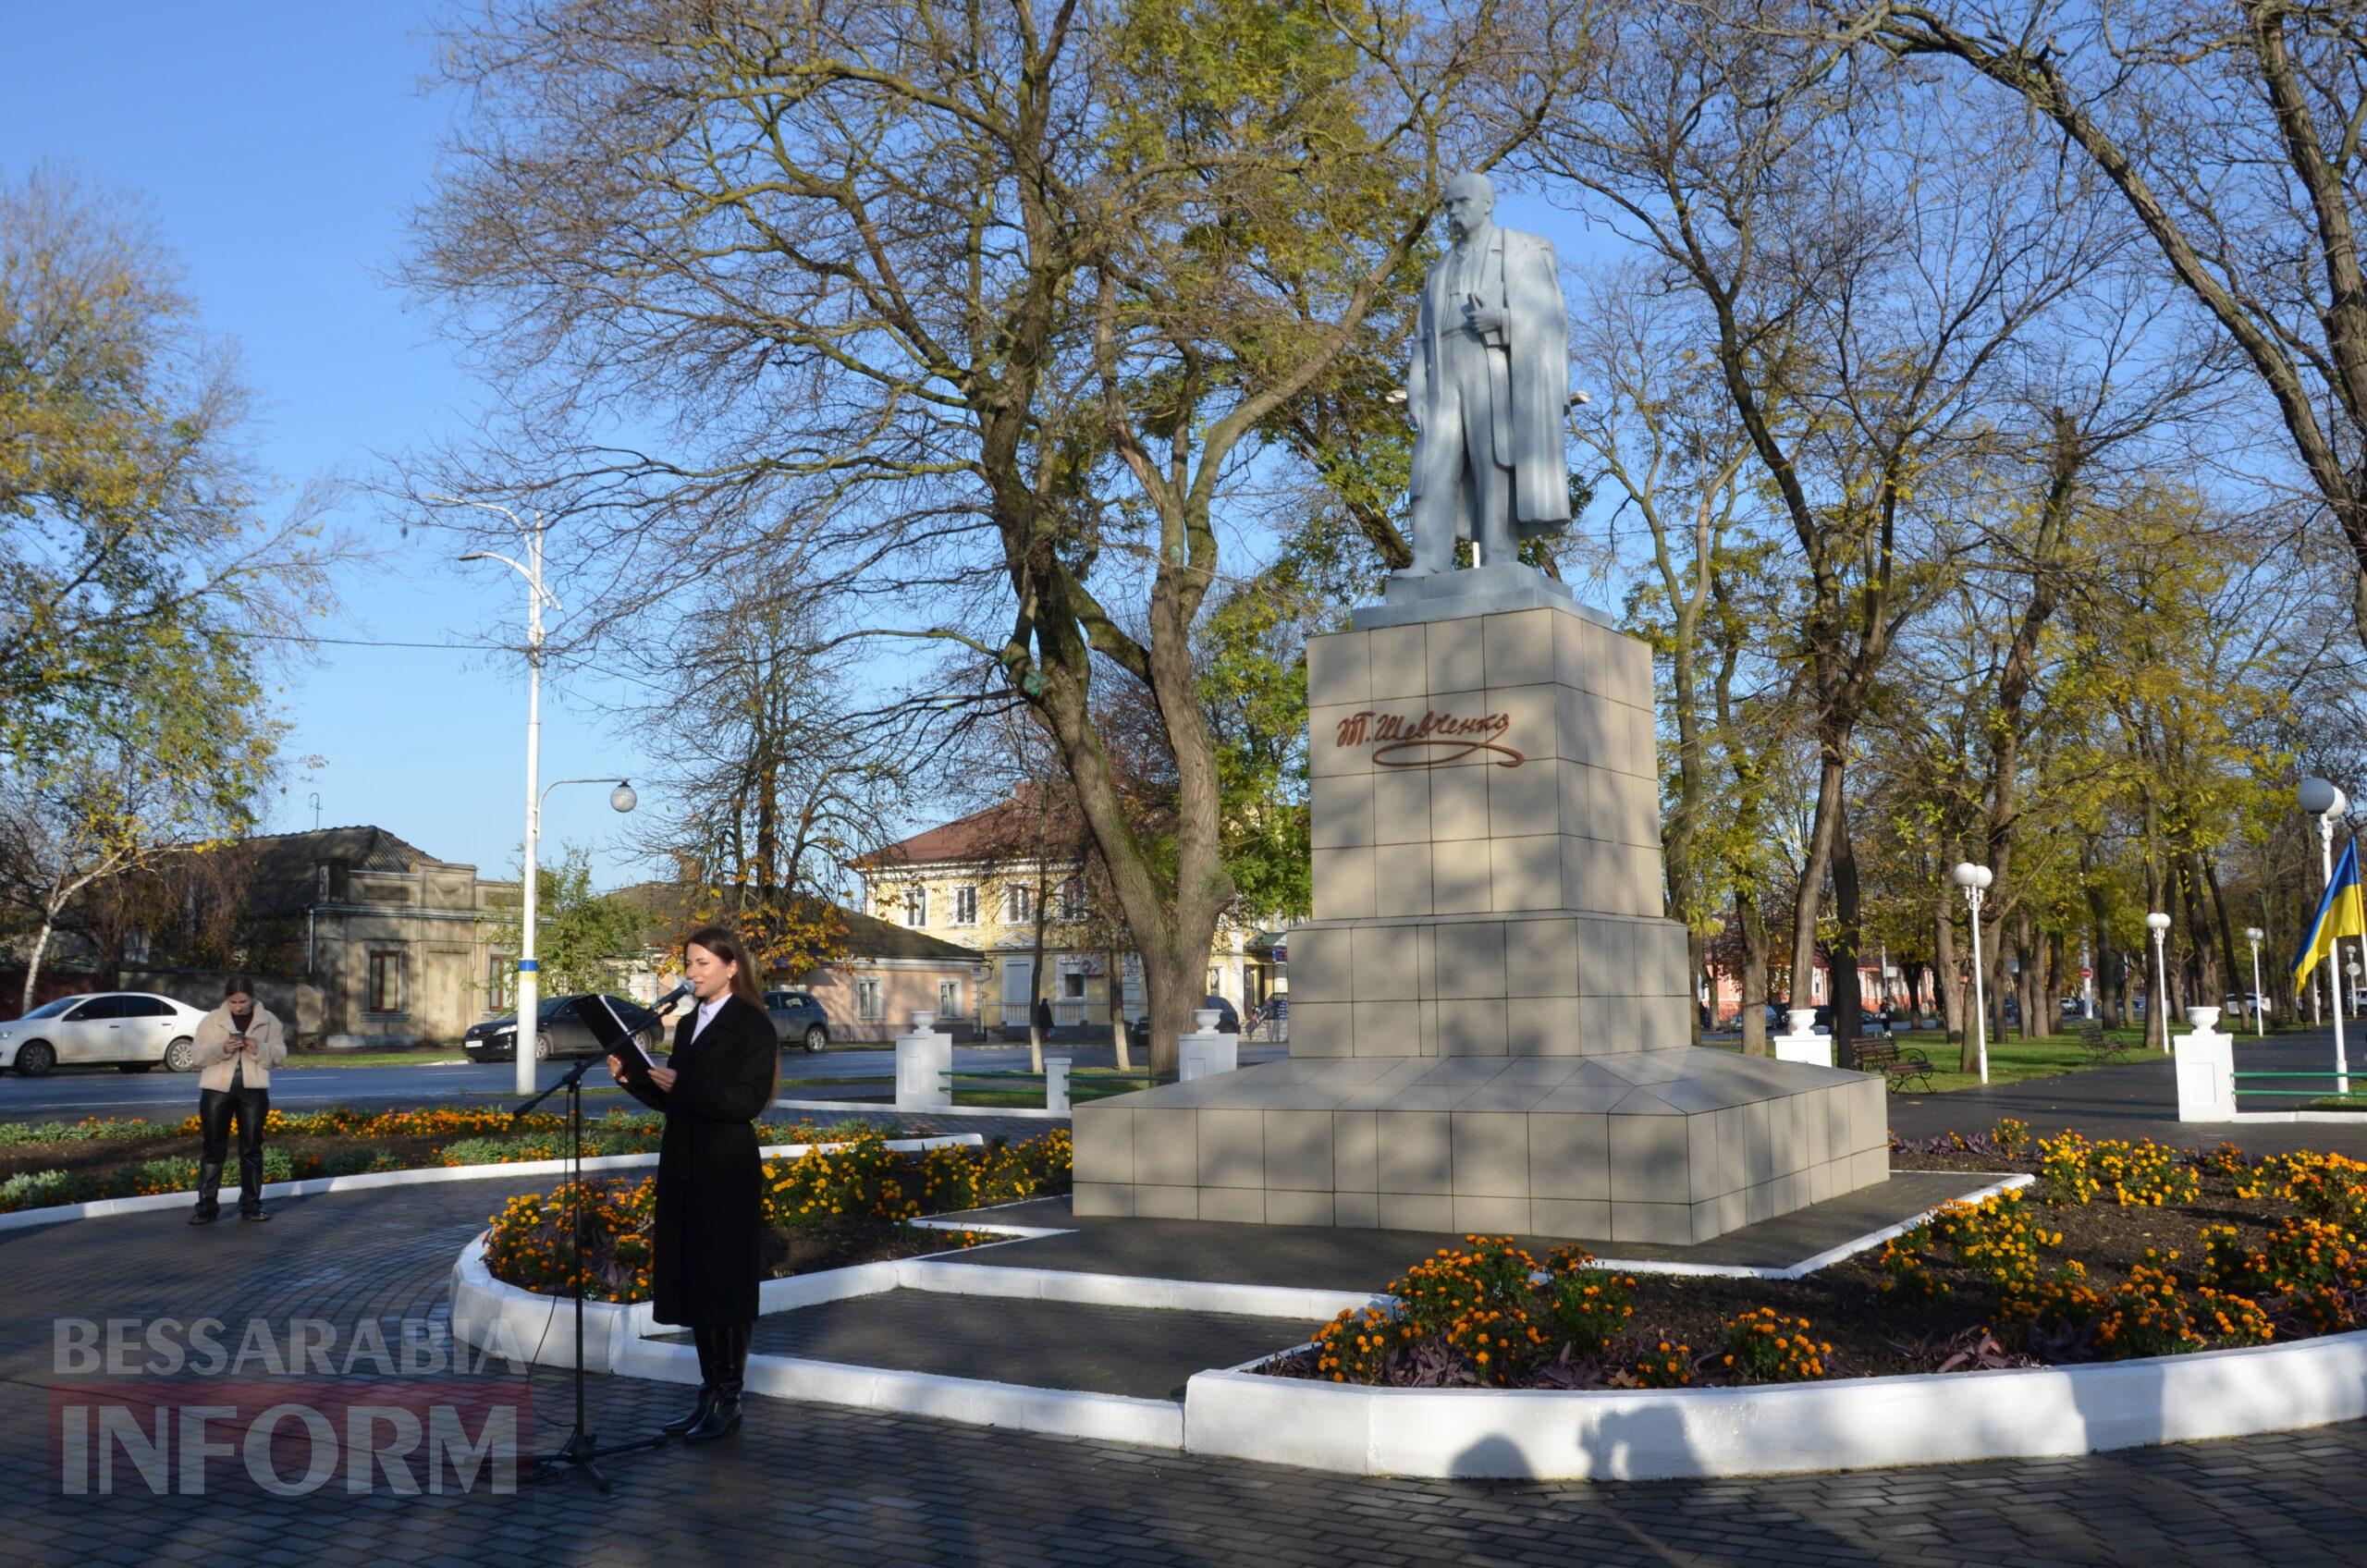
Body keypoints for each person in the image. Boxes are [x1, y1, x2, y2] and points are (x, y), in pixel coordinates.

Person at [607, 925, 776, 1443]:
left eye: (703, 963)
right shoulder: (686, 1025)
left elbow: (745, 1102)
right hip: (684, 1162)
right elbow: (676, 1098)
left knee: (725, 1282)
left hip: (725, 1167)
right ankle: (708, 1391)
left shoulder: (752, 1024)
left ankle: (730, 1395)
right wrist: (633, 1079)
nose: (692, 972)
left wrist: (685, 1084)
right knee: (697, 1279)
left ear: (732, 967)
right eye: (689, 963)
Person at [190, 976, 288, 1224]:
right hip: (216, 1090)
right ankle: (206, 1207)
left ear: (252, 998)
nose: (238, 1007)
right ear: (226, 999)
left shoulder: (269, 1020)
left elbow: (279, 1055)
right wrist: (223, 1048)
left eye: (243, 1001)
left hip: (253, 1090)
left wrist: (259, 1049)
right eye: (233, 1002)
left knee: (252, 1148)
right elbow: (197, 1056)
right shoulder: (212, 1019)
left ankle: (251, 1205)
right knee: (213, 1149)